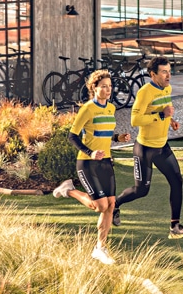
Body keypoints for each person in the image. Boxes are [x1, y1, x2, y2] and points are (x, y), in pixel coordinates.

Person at [52, 69, 131, 265]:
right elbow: (72, 136)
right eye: (103, 86)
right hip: (87, 162)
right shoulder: (87, 109)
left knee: (111, 204)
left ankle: (100, 248)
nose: (108, 90)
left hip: (106, 162)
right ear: (94, 88)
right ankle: (69, 190)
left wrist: (118, 138)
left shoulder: (111, 108)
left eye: (110, 86)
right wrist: (90, 153)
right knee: (100, 206)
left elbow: (104, 133)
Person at [112, 56, 183, 240]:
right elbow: (135, 120)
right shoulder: (145, 92)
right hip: (145, 149)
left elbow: (165, 108)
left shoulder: (167, 88)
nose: (168, 76)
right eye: (164, 72)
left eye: (169, 71)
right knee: (141, 190)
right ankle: (115, 205)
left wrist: (171, 120)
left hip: (162, 147)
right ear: (153, 74)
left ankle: (175, 227)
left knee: (177, 181)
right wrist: (161, 115)